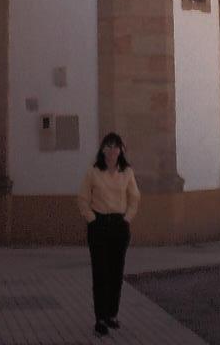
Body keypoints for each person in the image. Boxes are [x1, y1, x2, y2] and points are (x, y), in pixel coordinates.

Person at [78, 132, 140, 337]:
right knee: (100, 272)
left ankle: (112, 314)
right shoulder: (93, 172)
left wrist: (127, 218)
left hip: (119, 225)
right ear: (102, 149)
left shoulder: (127, 172)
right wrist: (91, 219)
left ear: (121, 150)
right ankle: (100, 318)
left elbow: (134, 197)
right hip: (99, 224)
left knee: (116, 272)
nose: (112, 150)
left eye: (116, 146)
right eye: (108, 146)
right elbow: (83, 198)